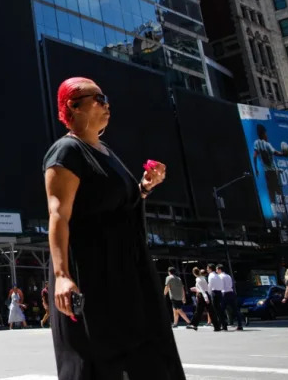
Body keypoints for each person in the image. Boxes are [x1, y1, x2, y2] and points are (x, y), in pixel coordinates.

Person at [44, 77, 185, 379]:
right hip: (94, 276)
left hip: (129, 273)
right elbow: (58, 214)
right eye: (98, 98)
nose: (106, 104)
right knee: (100, 362)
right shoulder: (66, 152)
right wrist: (61, 276)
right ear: (73, 105)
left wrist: (144, 188)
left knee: (148, 358)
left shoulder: (105, 151)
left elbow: (113, 203)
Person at [251, 124, 288, 216]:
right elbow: (276, 153)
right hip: (273, 172)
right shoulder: (267, 145)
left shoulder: (256, 143)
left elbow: (255, 156)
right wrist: (283, 154)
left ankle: (274, 214)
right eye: (266, 134)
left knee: (271, 193)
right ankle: (284, 215)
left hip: (266, 172)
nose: (267, 135)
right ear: (263, 134)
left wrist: (256, 169)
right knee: (279, 193)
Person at [187, 267, 221, 332]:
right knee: (211, 312)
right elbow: (205, 288)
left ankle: (194, 324)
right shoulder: (203, 278)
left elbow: (202, 290)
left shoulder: (198, 279)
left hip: (202, 296)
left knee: (198, 311)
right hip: (207, 294)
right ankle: (217, 327)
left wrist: (205, 298)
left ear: (194, 273)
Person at [216, 265, 243, 331]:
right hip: (231, 293)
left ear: (219, 269)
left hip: (224, 293)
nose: (216, 271)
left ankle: (221, 325)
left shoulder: (220, 277)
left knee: (221, 311)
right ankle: (240, 325)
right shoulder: (228, 276)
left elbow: (220, 286)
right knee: (235, 310)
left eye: (217, 269)